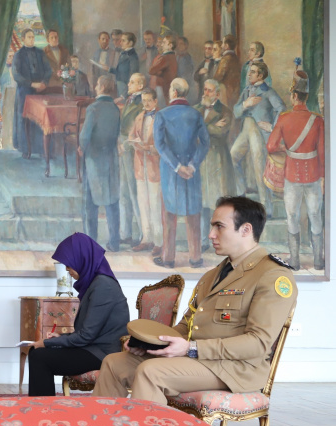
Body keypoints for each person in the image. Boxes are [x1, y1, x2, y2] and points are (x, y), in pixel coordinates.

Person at [94, 196, 298, 405]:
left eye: (219, 227)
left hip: (235, 368)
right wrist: (150, 345)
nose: (211, 235)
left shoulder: (272, 275)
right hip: (197, 359)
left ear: (245, 230)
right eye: (212, 227)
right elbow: (186, 325)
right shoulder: (212, 275)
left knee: (150, 371)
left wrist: (192, 348)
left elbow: (258, 343)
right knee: (114, 363)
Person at [25, 233, 129, 397]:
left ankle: (42, 412)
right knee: (37, 353)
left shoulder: (103, 286)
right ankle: (42, 409)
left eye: (70, 264)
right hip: (92, 348)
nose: (67, 269)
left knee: (40, 356)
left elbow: (87, 335)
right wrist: (58, 337)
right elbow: (89, 331)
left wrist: (46, 342)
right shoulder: (96, 283)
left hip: (102, 353)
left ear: (83, 259)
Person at [267, 71, 325, 271]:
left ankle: (295, 260)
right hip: (314, 175)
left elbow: (271, 146)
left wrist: (285, 148)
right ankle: (318, 260)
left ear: (293, 96)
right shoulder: (317, 120)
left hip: (292, 174)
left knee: (292, 215)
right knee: (315, 214)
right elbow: (322, 152)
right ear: (306, 97)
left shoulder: (284, 118)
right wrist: (324, 177)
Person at [153, 78, 211, 269]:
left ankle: (168, 258)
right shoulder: (196, 114)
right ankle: (195, 257)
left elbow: (160, 145)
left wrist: (177, 166)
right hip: (192, 171)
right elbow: (204, 143)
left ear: (174, 93)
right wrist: (192, 166)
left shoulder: (161, 115)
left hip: (171, 170)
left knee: (169, 213)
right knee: (193, 212)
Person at [231, 61, 284, 208]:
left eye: (252, 72)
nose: (249, 74)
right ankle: (240, 194)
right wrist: (244, 105)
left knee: (259, 166)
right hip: (246, 129)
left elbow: (281, 108)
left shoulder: (268, 91)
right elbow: (235, 112)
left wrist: (272, 126)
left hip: (259, 132)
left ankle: (266, 207)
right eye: (249, 71)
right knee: (232, 156)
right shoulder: (247, 90)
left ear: (260, 75)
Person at [79, 76, 122, 252]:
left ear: (102, 86)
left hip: (94, 158)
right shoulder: (115, 109)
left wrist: (82, 148)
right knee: (112, 200)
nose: (95, 86)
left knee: (91, 202)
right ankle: (114, 241)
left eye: (97, 84)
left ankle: (91, 243)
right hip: (110, 157)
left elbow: (84, 136)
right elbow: (117, 132)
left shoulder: (93, 108)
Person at [199, 79, 238, 243]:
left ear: (217, 93)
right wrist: (210, 127)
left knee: (218, 202)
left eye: (209, 90)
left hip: (218, 160)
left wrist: (202, 127)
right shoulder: (197, 110)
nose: (205, 93)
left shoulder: (225, 112)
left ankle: (221, 240)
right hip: (201, 160)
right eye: (205, 89)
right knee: (202, 204)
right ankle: (202, 240)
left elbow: (221, 132)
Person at [129, 88, 163, 255]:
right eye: (144, 100)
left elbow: (163, 143)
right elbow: (132, 135)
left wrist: (149, 148)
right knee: (143, 203)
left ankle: (159, 241)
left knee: (155, 204)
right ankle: (146, 238)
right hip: (140, 166)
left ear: (156, 101)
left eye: (149, 100)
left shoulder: (161, 118)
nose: (146, 103)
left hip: (154, 166)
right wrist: (135, 143)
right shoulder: (139, 117)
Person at [12, 29, 50, 158]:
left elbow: (48, 70)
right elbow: (16, 75)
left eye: (33, 37)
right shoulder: (18, 55)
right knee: (25, 119)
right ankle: (25, 149)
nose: (32, 39)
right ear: (23, 39)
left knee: (40, 119)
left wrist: (44, 83)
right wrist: (31, 84)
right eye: (29, 37)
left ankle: (40, 149)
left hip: (40, 90)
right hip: (24, 91)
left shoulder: (40, 53)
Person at [117, 73, 145, 250]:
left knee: (135, 193)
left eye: (132, 82)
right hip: (122, 148)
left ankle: (143, 235)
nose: (128, 84)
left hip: (132, 151)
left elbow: (139, 131)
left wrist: (125, 144)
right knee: (124, 192)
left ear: (140, 86)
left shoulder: (142, 103)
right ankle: (125, 233)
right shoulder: (130, 100)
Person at [213, 35, 241, 109]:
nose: (221, 46)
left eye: (222, 44)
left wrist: (212, 82)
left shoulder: (226, 59)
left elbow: (218, 76)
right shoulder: (236, 58)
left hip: (225, 92)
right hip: (235, 92)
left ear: (226, 46)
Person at [111, 32, 139, 98]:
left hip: (126, 85)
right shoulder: (123, 53)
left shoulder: (132, 56)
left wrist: (124, 94)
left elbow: (133, 75)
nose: (120, 43)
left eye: (123, 41)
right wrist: (109, 69)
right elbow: (120, 71)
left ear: (130, 43)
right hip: (120, 84)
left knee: (123, 103)